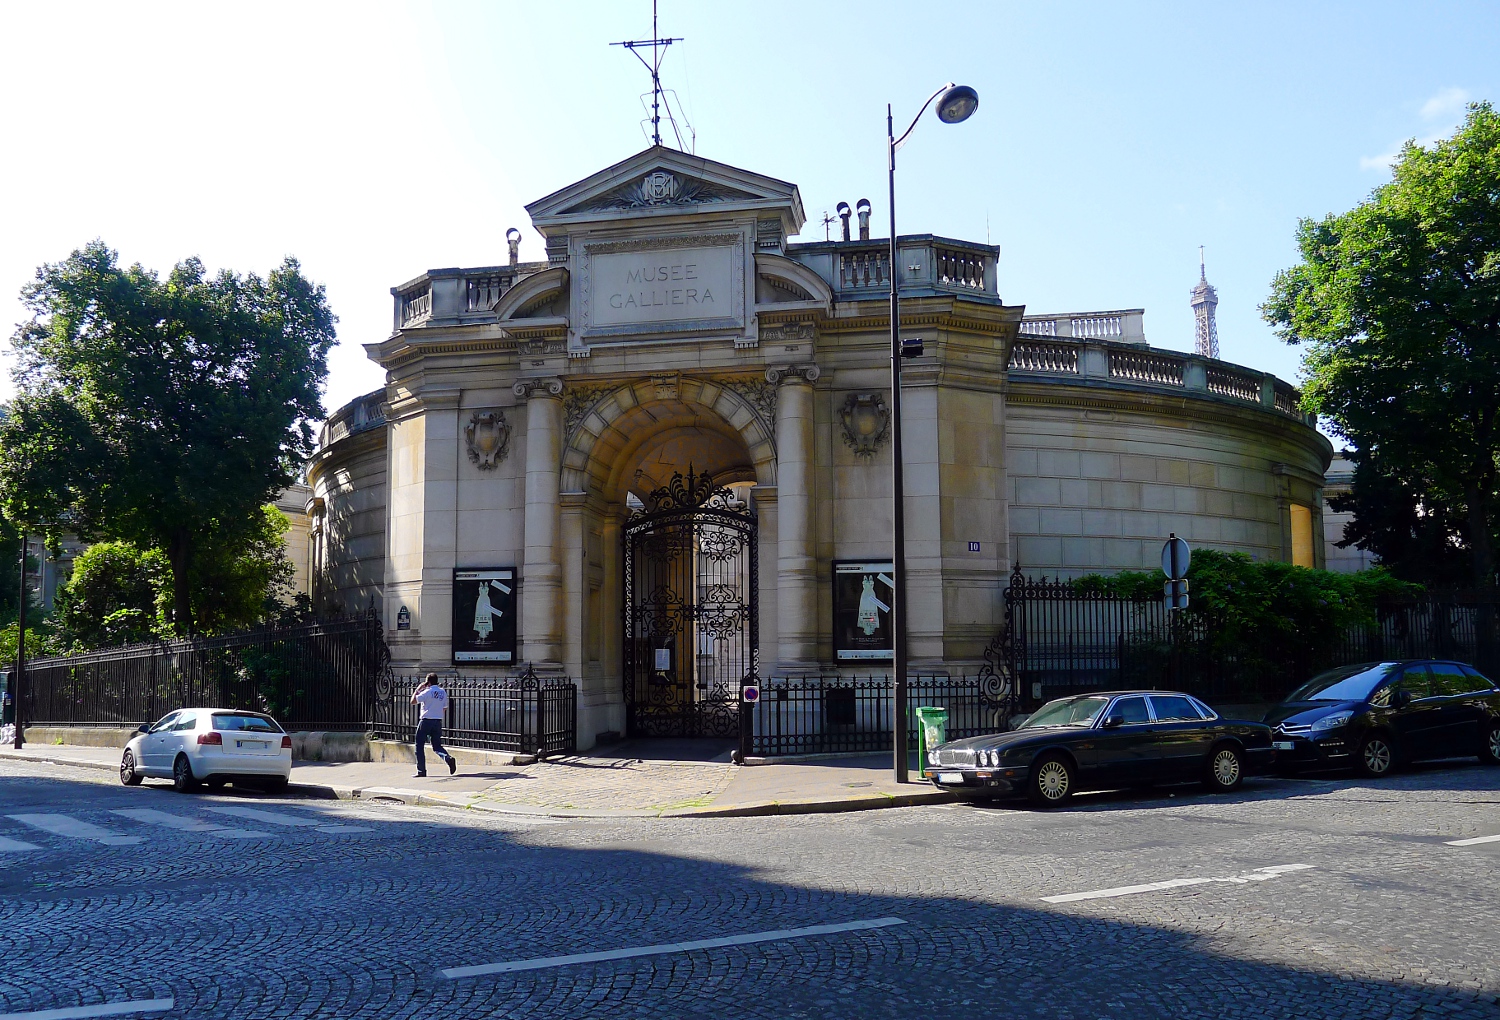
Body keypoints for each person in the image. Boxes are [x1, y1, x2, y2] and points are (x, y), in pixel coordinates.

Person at [410, 673, 457, 777]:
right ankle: (448, 758)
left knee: (419, 745)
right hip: (437, 720)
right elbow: (444, 708)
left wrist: (417, 689)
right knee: (437, 746)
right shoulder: (442, 692)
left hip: (426, 720)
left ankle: (421, 770)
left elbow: (413, 701)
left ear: (428, 682)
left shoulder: (427, 692)